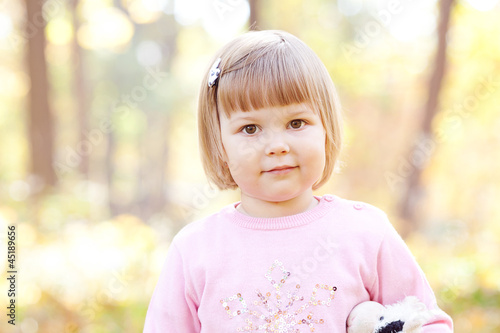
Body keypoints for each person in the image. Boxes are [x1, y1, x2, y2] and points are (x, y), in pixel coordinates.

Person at [143, 30, 453, 332]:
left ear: (326, 129)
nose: (277, 145)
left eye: (296, 122)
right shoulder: (195, 249)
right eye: (250, 129)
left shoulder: (365, 233)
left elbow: (429, 323)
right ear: (219, 143)